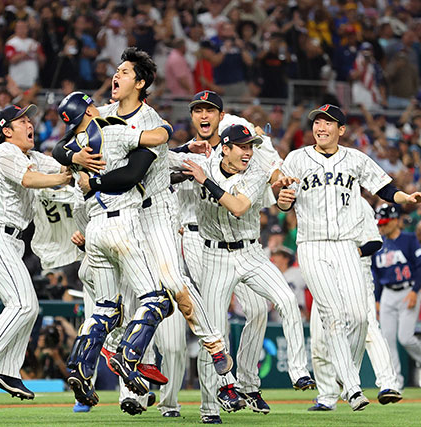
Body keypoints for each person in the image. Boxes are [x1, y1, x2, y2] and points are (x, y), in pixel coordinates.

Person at [58, 50, 231, 415]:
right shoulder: (101, 114)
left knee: (174, 285)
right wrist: (74, 159)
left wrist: (97, 179)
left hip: (155, 211)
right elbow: (62, 146)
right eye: (115, 70)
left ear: (140, 83)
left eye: (123, 72)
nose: (115, 77)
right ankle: (126, 371)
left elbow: (134, 171)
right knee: (124, 296)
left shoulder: (150, 120)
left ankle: (215, 347)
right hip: (121, 218)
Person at [277, 104, 421, 411]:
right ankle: (353, 389)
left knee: (358, 317)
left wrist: (405, 198)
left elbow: (384, 187)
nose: (321, 127)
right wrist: (283, 200)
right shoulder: (297, 158)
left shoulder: (354, 158)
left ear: (341, 130)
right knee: (331, 316)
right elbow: (283, 197)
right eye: (317, 121)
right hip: (313, 244)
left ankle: (347, 377)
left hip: (345, 246)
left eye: (329, 123)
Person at [183, 124, 314, 424]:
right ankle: (209, 408)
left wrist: (206, 182)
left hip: (251, 252)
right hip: (214, 255)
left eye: (250, 146)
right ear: (224, 148)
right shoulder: (203, 164)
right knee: (214, 335)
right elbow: (167, 166)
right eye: (242, 146)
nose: (248, 152)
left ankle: (298, 371)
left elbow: (239, 206)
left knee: (286, 300)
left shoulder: (255, 170)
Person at [171, 91, 275, 416]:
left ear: (221, 116)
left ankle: (246, 383)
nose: (203, 115)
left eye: (210, 110)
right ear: (193, 117)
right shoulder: (190, 152)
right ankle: (212, 402)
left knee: (258, 308)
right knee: (212, 322)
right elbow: (156, 162)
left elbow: (263, 189)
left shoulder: (239, 151)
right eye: (198, 110)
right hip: (198, 240)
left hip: (240, 244)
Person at [0, 105, 72, 400]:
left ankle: (8, 370)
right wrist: (62, 179)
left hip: (10, 242)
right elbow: (30, 180)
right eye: (22, 120)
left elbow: (62, 168)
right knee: (23, 305)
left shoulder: (31, 156)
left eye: (29, 119)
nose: (29, 123)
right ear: (7, 131)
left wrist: (77, 159)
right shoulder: (5, 151)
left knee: (29, 307)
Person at [309, 198, 402, 411]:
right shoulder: (316, 198)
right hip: (323, 271)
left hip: (356, 269)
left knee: (367, 326)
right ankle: (327, 396)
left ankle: (387, 383)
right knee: (319, 338)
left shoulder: (359, 204)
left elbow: (374, 241)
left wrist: (348, 255)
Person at [372, 203, 421, 391]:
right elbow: (375, 274)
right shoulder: (378, 243)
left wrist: (415, 291)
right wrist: (376, 299)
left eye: (384, 223)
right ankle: (394, 382)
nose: (381, 227)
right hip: (387, 294)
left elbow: (419, 267)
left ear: (395, 220)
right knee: (387, 340)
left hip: (408, 290)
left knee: (406, 338)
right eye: (379, 224)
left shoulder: (408, 240)